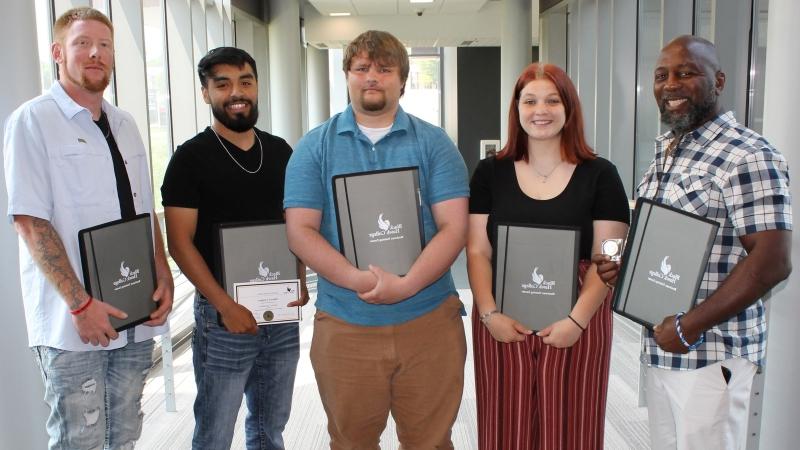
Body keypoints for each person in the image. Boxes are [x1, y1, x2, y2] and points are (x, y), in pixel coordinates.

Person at [593, 35, 792, 450]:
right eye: (661, 75)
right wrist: (625, 267)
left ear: (718, 80)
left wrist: (690, 325)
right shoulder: (668, 151)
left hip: (710, 352)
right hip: (664, 350)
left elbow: (772, 260)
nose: (670, 85)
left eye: (686, 73)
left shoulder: (748, 154)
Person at [283, 30, 469, 448]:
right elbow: (300, 231)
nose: (372, 77)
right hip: (346, 323)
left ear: (402, 80)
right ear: (346, 75)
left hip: (428, 321)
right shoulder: (313, 147)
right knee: (351, 442)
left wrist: (405, 285)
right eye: (362, 68)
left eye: (384, 69)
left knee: (432, 442)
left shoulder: (435, 143)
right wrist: (359, 281)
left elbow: (454, 228)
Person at [3, 7, 173, 449]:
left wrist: (163, 272)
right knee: (81, 439)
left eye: (105, 45)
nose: (95, 53)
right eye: (82, 43)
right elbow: (30, 221)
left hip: (134, 312)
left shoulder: (126, 124)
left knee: (126, 435)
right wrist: (80, 306)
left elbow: (143, 207)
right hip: (73, 324)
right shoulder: (32, 122)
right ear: (58, 52)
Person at [467, 62, 630, 450]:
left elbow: (608, 258)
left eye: (552, 100)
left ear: (569, 108)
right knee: (506, 425)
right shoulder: (490, 173)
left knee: (572, 426)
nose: (541, 110)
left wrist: (577, 320)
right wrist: (489, 314)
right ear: (517, 109)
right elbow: (476, 249)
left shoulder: (602, 175)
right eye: (530, 100)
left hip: (580, 311)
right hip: (501, 310)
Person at [161, 47, 307, 450]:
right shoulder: (189, 160)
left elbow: (293, 224)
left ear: (257, 86)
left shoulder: (280, 152)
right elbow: (179, 242)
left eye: (245, 81)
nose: (236, 93)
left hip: (280, 310)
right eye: (222, 84)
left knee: (269, 428)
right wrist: (226, 306)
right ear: (206, 93)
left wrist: (297, 281)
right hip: (221, 318)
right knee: (214, 434)